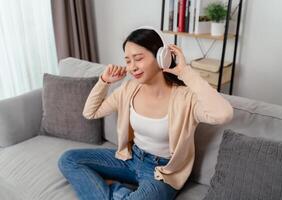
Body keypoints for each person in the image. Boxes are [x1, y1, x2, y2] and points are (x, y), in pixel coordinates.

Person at [57, 26, 234, 200]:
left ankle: (113, 190)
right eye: (128, 61)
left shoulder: (185, 98)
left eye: (138, 58)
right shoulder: (128, 88)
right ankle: (117, 192)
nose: (132, 67)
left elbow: (223, 114)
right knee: (69, 160)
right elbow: (90, 112)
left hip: (161, 172)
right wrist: (104, 81)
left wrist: (184, 71)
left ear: (161, 57)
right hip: (130, 158)